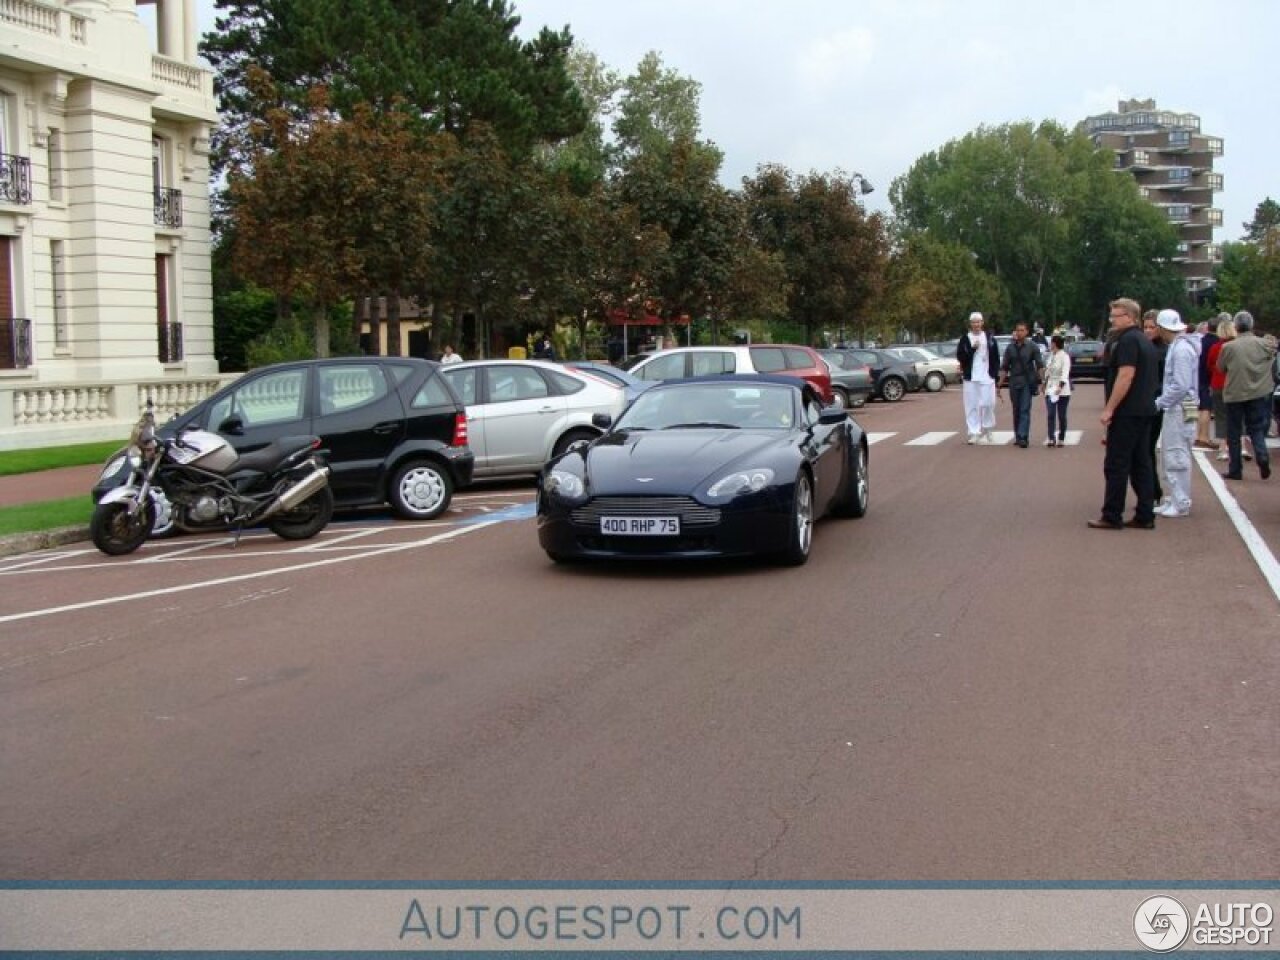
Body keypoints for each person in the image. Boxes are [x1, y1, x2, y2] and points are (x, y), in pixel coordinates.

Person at [1088, 298, 1158, 530]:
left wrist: (1109, 408)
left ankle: (1112, 514)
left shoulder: (1127, 341)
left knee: (1116, 464)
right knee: (1141, 464)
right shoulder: (1145, 341)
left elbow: (1125, 375)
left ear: (1129, 316)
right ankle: (1145, 513)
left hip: (1127, 412)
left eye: (1115, 316)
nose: (1112, 321)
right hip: (1145, 410)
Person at [1216, 310, 1277, 481]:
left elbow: (1220, 368)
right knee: (1256, 428)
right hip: (1258, 391)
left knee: (1234, 432)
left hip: (1235, 393)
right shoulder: (1265, 344)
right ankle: (1262, 454)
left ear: (1235, 326)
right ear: (1251, 325)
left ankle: (1235, 469)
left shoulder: (1229, 347)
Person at [1152, 309, 1200, 517]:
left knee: (1176, 453)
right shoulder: (1179, 346)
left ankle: (1181, 502)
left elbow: (1180, 385)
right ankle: (1174, 497)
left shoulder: (1180, 350)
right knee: (1171, 452)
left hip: (1179, 407)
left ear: (1163, 328)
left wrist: (1160, 402)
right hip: (1181, 406)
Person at [955, 311, 1000, 444]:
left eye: (978, 322)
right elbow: (961, 357)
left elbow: (996, 357)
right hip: (971, 377)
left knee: (988, 403)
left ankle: (988, 428)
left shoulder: (989, 338)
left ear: (982, 323)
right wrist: (972, 349)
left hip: (987, 376)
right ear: (971, 324)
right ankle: (974, 432)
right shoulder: (965, 339)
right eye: (974, 322)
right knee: (971, 405)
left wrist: (995, 373)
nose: (976, 324)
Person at [998, 321, 1044, 448]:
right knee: (1016, 410)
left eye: (1022, 330)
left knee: (1024, 409)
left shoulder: (1033, 346)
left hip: (1027, 382)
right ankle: (1018, 436)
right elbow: (1004, 367)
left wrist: (1043, 382)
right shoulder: (1010, 348)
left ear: (1027, 332)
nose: (1019, 332)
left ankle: (1023, 437)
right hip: (1014, 382)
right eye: (1018, 330)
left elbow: (1040, 365)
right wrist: (999, 384)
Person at [1142, 309, 1168, 505]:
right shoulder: (1145, 347)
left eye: (1152, 327)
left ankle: (1153, 492)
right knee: (1146, 449)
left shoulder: (1163, 351)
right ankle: (1153, 490)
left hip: (1155, 404)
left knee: (1147, 449)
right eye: (1146, 327)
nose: (1148, 331)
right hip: (1146, 403)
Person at [1205, 317, 1237, 463]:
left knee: (1221, 416)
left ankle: (1223, 448)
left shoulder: (1216, 347)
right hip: (1235, 384)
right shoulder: (1237, 346)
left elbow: (1210, 365)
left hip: (1218, 383)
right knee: (1237, 416)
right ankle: (1240, 446)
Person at [1193, 317, 1223, 449]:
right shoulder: (1216, 343)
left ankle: (1200, 435)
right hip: (1208, 378)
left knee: (1201, 408)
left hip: (1198, 376)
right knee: (1206, 408)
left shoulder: (1201, 340)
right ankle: (1204, 436)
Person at [1043, 334, 1072, 446]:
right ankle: (1051, 437)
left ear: (1055, 344)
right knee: (1050, 414)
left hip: (1062, 390)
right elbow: (1047, 372)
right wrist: (1044, 383)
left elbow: (1065, 372)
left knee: (1062, 415)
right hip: (1050, 388)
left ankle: (1061, 437)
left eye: (1051, 343)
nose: (1050, 345)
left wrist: (1061, 386)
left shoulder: (1064, 356)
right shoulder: (1051, 356)